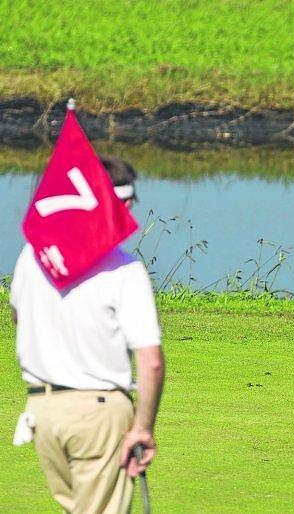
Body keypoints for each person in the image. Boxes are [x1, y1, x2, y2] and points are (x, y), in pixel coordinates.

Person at [10, 156, 164, 513]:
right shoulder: (124, 268)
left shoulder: (32, 256)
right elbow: (151, 362)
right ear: (121, 204)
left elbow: (19, 317)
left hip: (43, 413)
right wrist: (143, 428)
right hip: (97, 414)